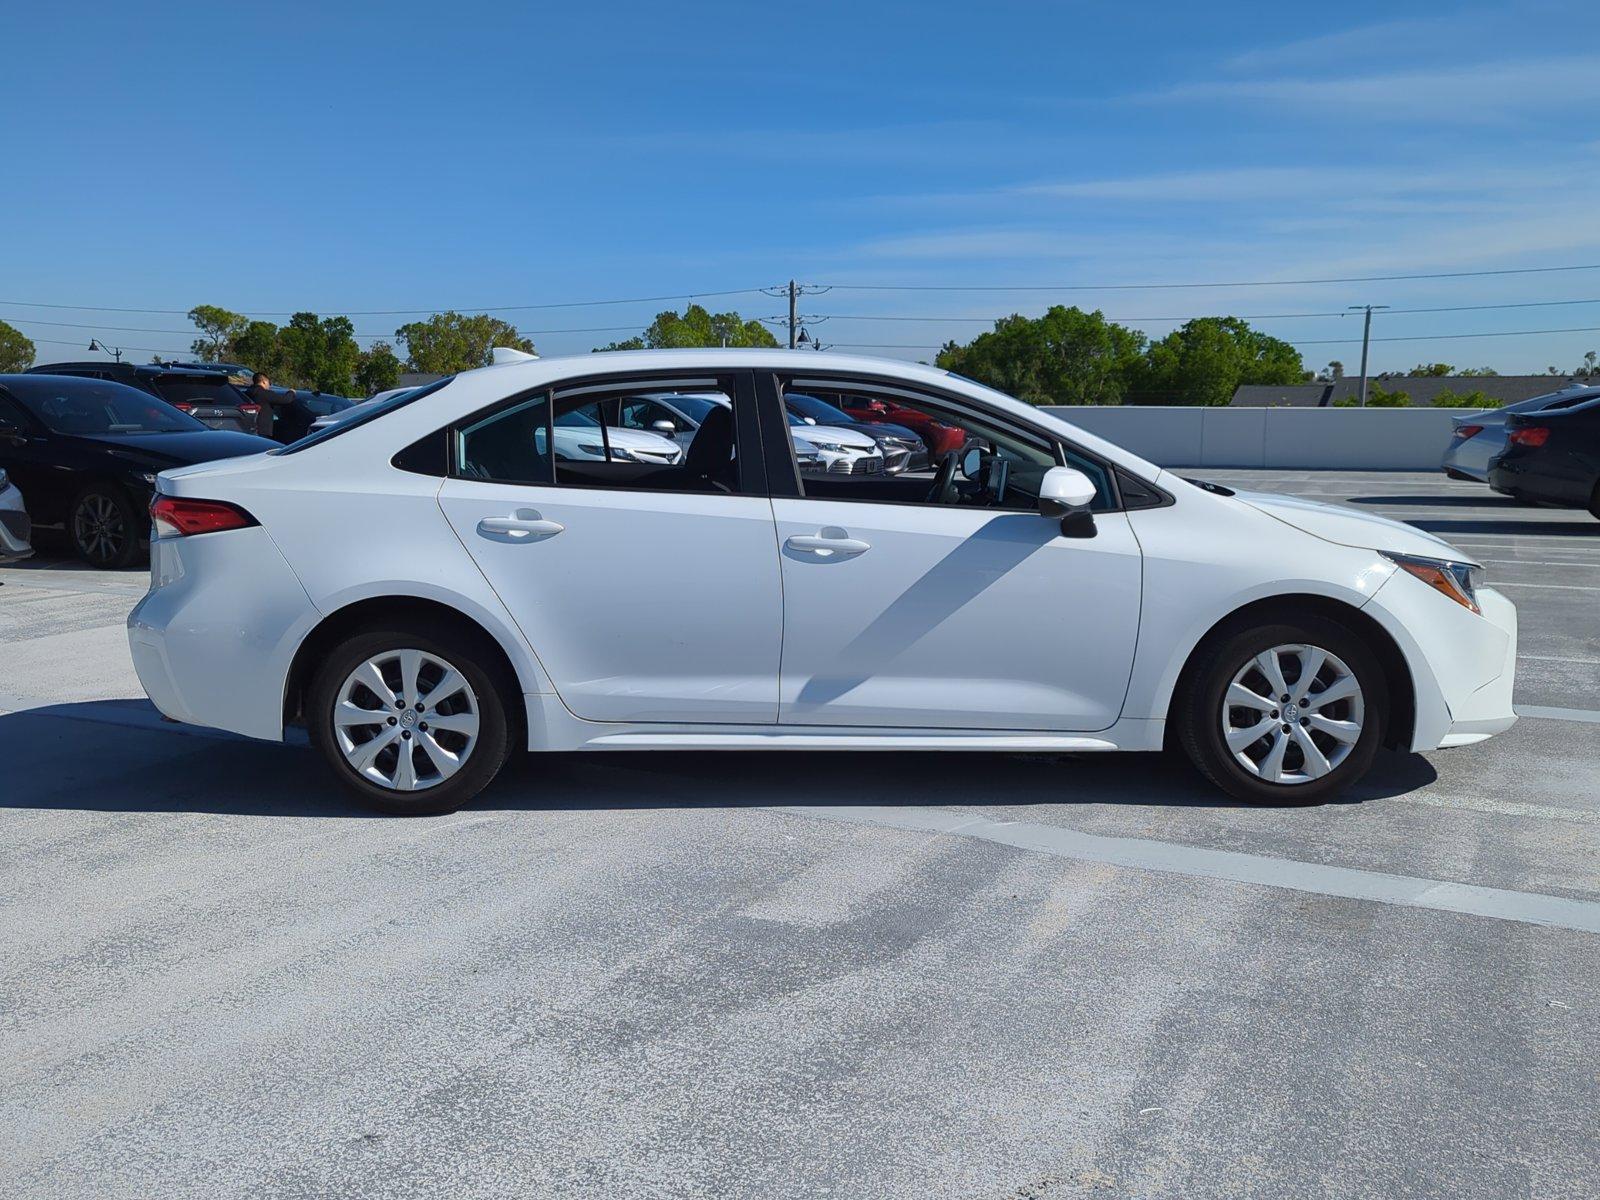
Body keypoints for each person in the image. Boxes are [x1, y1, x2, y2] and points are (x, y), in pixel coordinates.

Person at [244, 371, 290, 439]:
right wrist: (291, 392)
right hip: (263, 430)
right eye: (269, 383)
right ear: (264, 382)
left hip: (248, 428)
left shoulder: (248, 392)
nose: (269, 385)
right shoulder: (265, 394)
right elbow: (285, 400)